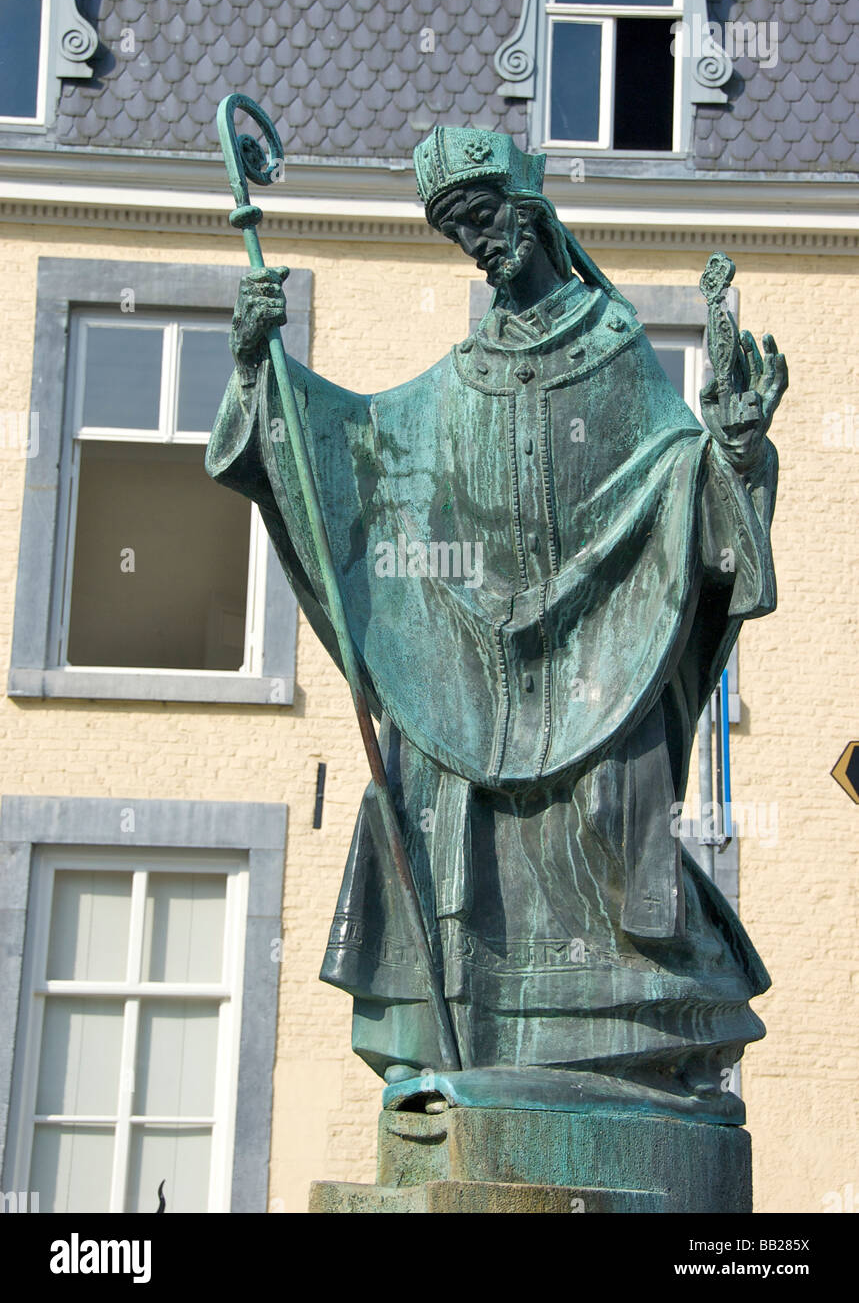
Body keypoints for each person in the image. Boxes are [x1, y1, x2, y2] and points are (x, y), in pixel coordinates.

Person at [206, 127, 787, 1120]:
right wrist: (263, 375)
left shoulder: (613, 346)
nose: (478, 246)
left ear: (535, 212)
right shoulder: (459, 374)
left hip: (601, 652)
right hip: (466, 666)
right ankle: (446, 1042)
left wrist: (732, 451)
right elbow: (349, 452)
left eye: (486, 220)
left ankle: (639, 1046)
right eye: (460, 234)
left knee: (614, 814)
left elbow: (678, 484)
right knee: (426, 809)